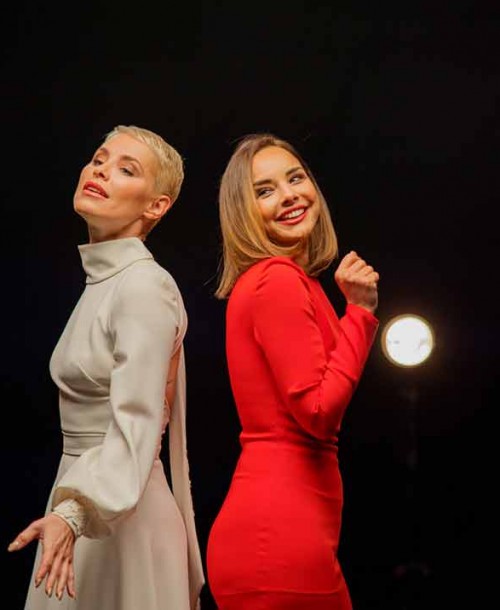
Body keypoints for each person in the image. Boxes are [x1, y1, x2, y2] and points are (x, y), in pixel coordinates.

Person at [8, 125, 205, 610]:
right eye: (99, 159)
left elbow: (138, 424)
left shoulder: (143, 286)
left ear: (156, 205)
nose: (100, 170)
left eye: (125, 169)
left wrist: (74, 514)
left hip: (117, 514)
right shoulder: (106, 282)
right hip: (83, 500)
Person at [206, 133, 380, 610]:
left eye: (295, 178)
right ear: (244, 213)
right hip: (278, 542)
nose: (288, 196)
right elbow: (318, 412)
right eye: (264, 191)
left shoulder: (291, 282)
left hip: (283, 536)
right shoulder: (277, 281)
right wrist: (360, 314)